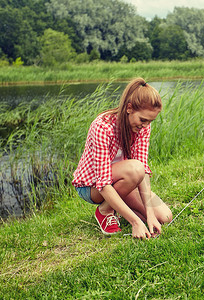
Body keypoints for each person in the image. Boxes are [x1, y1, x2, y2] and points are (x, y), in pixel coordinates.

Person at [72, 77, 172, 239]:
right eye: (143, 120)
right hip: (91, 187)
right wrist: (135, 222)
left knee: (165, 217)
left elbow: (143, 173)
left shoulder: (142, 127)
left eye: (150, 121)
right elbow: (103, 183)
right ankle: (105, 211)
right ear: (129, 108)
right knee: (135, 168)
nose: (146, 126)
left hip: (124, 181)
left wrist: (150, 215)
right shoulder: (102, 126)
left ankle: (121, 210)